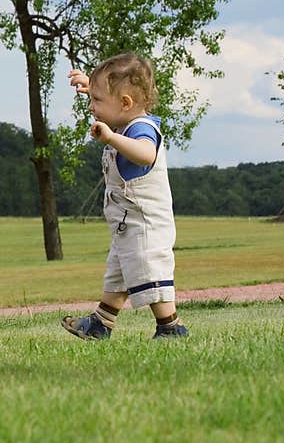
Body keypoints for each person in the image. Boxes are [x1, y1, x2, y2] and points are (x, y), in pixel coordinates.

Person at [61, 52, 189, 341]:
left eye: (97, 100)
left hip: (145, 223)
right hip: (126, 222)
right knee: (118, 274)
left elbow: (145, 153)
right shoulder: (124, 119)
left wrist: (110, 138)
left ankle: (170, 327)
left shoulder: (141, 129)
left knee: (148, 270)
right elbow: (111, 105)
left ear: (126, 103)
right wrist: (90, 85)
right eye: (91, 98)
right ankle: (100, 324)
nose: (92, 107)